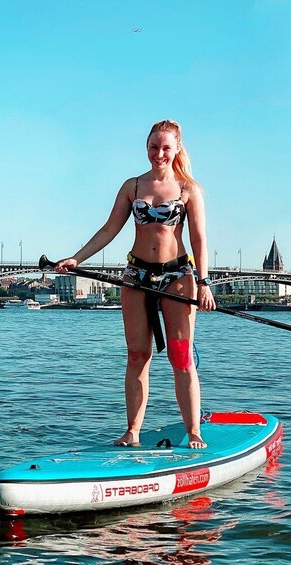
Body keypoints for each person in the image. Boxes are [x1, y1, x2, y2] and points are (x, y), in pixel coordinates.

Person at [55, 120, 216, 449]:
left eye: (166, 147)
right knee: (137, 355)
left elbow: (199, 239)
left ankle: (194, 431)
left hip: (178, 277)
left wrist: (204, 282)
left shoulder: (189, 190)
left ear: (177, 150)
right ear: (146, 148)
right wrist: (77, 258)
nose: (159, 153)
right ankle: (132, 431)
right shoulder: (132, 186)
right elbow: (109, 229)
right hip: (136, 276)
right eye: (154, 147)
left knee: (181, 357)